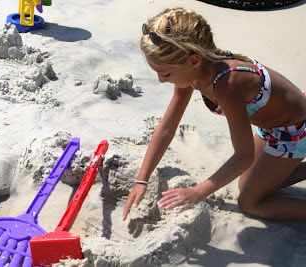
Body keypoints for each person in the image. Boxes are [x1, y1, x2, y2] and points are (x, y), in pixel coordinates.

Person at [122, 7, 306, 221]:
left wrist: (198, 191)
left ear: (193, 60)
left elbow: (243, 155)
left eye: (166, 73)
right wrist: (142, 180)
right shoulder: (192, 72)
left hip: (295, 130)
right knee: (245, 183)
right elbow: (167, 128)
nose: (161, 80)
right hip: (273, 125)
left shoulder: (227, 84)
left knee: (250, 202)